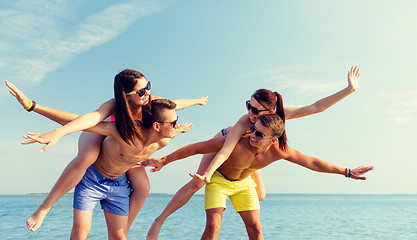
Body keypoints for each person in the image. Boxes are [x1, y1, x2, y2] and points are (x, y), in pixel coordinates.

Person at [146, 66, 361, 239]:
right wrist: (200, 172)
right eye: (249, 105)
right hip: (226, 143)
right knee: (198, 182)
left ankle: (240, 173)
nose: (250, 112)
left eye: (256, 110)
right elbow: (221, 150)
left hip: (257, 149)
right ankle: (159, 222)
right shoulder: (244, 124)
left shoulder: (278, 123)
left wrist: (349, 90)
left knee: (260, 195)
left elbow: (317, 107)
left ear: (271, 111)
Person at [5, 69, 207, 234]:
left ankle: (123, 230)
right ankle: (45, 207)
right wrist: (47, 122)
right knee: (88, 156)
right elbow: (86, 120)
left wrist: (196, 101)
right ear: (126, 96)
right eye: (141, 91)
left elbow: (177, 105)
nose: (147, 93)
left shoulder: (153, 105)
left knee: (143, 186)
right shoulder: (114, 106)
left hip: (132, 145)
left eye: (148, 87)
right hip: (103, 130)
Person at [143, 114, 374, 240]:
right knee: (213, 226)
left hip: (244, 183)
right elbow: (195, 148)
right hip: (220, 181)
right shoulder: (235, 142)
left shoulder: (280, 151)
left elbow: (312, 162)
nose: (253, 135)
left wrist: (346, 171)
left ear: (272, 140)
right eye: (253, 129)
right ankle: (158, 222)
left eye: (260, 134)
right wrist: (164, 161)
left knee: (255, 229)